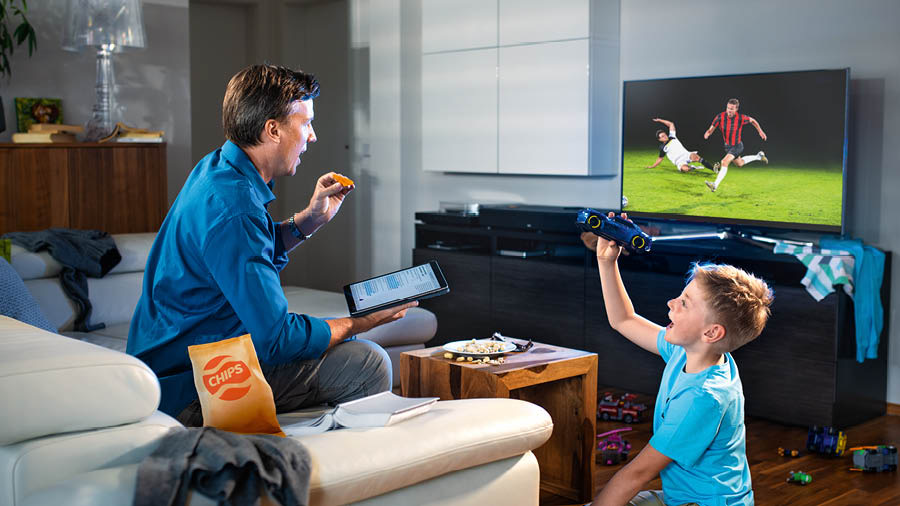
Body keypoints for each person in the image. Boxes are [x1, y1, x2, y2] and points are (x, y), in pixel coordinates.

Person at [127, 64, 416, 425]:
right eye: (306, 123)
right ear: (273, 129)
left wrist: (308, 220)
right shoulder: (235, 208)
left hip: (175, 370)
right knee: (366, 362)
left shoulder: (216, 169)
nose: (312, 136)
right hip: (192, 389)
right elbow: (275, 337)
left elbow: (243, 253)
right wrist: (358, 323)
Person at [584, 213, 773, 506]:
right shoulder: (689, 351)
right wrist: (607, 262)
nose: (671, 303)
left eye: (684, 303)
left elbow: (638, 473)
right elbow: (623, 319)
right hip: (683, 498)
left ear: (711, 332)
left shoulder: (703, 398)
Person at [702, 98, 768, 192]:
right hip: (728, 146)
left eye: (732, 109)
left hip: (737, 146)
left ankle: (715, 185)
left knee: (724, 162)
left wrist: (760, 131)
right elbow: (712, 128)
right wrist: (708, 133)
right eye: (728, 108)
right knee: (740, 163)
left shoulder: (740, 118)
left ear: (736, 109)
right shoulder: (720, 117)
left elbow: (753, 121)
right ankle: (758, 156)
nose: (729, 110)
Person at [644, 118, 719, 173]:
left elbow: (671, 124)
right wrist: (653, 166)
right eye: (662, 136)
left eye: (665, 135)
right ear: (659, 140)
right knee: (685, 169)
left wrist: (660, 120)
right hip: (679, 161)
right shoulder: (663, 148)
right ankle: (692, 167)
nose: (665, 136)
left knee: (697, 157)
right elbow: (660, 158)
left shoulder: (672, 136)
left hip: (686, 154)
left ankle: (713, 169)